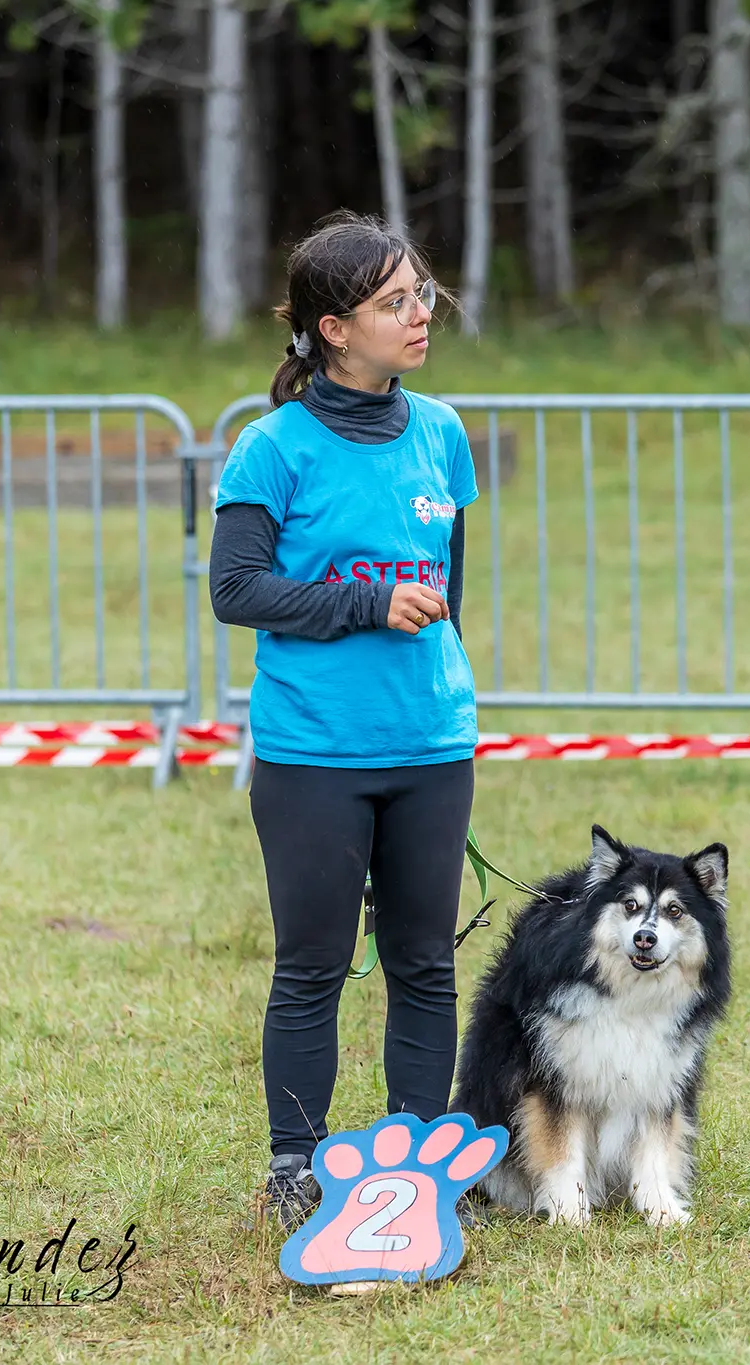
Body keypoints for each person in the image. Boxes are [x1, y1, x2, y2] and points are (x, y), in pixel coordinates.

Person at [207, 212, 479, 1228]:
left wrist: (438, 701)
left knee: (424, 964)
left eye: (419, 293)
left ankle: (422, 1170)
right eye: (391, 303)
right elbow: (235, 591)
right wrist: (364, 605)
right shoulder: (270, 448)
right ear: (331, 328)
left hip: (430, 747)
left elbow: (451, 593)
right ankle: (295, 1166)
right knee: (311, 968)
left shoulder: (442, 434)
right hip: (312, 753)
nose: (419, 315)